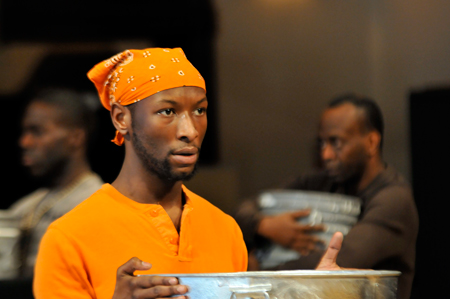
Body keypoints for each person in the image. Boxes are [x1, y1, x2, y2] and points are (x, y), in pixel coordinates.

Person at [234, 94, 419, 299]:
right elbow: (244, 209)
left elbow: (341, 259)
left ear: (371, 142)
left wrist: (255, 272)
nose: (326, 155)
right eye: (322, 143)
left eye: (336, 143)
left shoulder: (394, 199)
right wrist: (265, 225)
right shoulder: (324, 182)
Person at [8, 88, 104, 278]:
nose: (24, 142)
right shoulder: (27, 207)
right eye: (25, 131)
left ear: (75, 138)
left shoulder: (99, 206)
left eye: (37, 131)